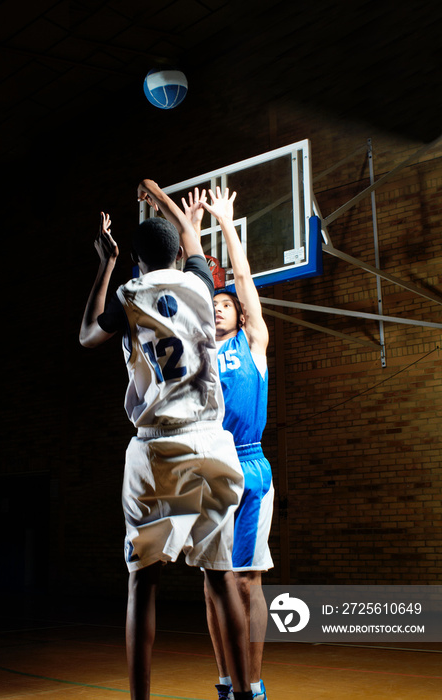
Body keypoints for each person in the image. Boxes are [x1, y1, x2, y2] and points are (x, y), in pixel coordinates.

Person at [79, 179, 252, 700]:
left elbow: (87, 334)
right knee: (222, 580)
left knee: (143, 584)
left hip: (155, 448)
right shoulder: (201, 284)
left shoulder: (130, 295)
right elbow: (191, 242)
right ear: (179, 254)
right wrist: (158, 193)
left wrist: (106, 263)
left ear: (135, 260)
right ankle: (245, 692)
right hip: (210, 445)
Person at [182, 187, 274, 700]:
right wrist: (189, 228)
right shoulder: (198, 349)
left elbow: (240, 279)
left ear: (239, 315)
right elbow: (192, 281)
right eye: (212, 305)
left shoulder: (252, 343)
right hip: (206, 466)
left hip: (249, 464)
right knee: (213, 582)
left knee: (246, 583)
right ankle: (225, 680)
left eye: (225, 306)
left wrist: (226, 223)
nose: (217, 309)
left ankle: (253, 682)